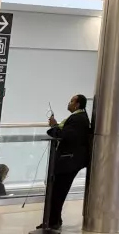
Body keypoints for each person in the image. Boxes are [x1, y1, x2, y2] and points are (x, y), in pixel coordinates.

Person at [45, 93, 92, 230]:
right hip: (69, 160)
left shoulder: (78, 119)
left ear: (77, 104)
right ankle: (54, 219)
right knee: (57, 191)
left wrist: (54, 126)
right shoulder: (79, 118)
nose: (69, 103)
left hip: (68, 161)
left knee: (58, 191)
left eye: (71, 101)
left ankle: (53, 221)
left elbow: (65, 136)